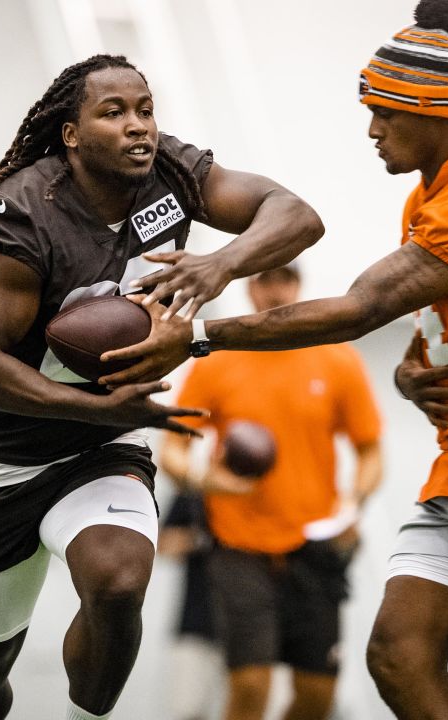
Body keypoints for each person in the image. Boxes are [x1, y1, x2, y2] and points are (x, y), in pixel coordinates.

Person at [99, 2, 448, 718]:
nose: (371, 131)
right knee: (399, 656)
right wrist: (407, 375)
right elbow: (425, 329)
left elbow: (359, 309)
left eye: (383, 114)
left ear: (430, 109)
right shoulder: (429, 197)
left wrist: (202, 333)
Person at [0, 53, 323, 720]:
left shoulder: (171, 172)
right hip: (1, 457)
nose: (138, 126)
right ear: (72, 133)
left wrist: (220, 263)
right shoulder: (25, 209)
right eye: (113, 112)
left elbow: (296, 215)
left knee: (119, 584)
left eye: (145, 110)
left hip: (104, 447)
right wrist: (92, 404)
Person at [158, 264, 383, 720]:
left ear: (299, 285)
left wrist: (353, 505)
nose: (277, 290)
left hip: (314, 543)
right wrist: (206, 480)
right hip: (238, 544)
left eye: (286, 279)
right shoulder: (217, 361)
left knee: (317, 695)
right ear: (250, 287)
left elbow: (370, 451)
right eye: (266, 280)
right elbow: (173, 451)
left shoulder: (336, 359)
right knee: (251, 684)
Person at [156, 491, 223, 720]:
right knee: (190, 710)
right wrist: (205, 537)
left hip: (257, 628)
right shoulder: (195, 489)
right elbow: (162, 544)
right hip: (197, 623)